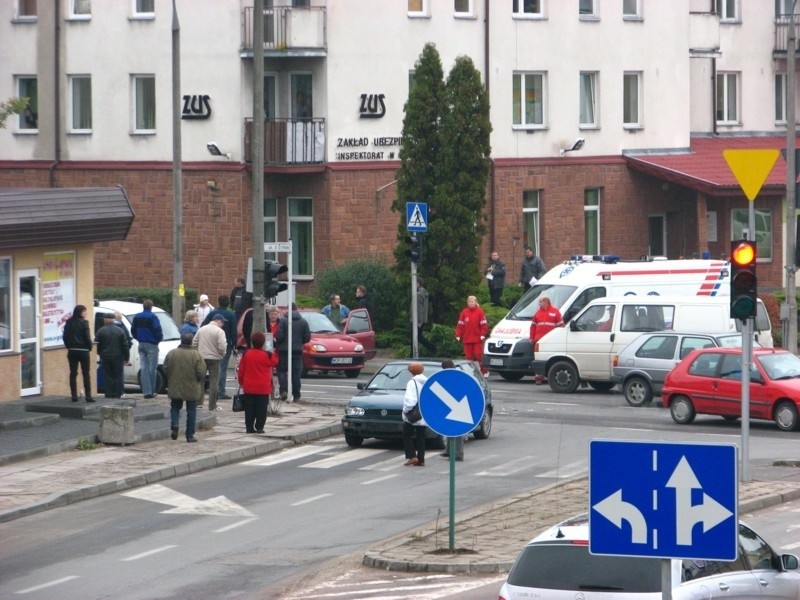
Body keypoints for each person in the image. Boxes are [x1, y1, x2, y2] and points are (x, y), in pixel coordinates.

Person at [164, 332, 205, 443]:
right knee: (191, 411)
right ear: (191, 341)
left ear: (181, 340)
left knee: (175, 407)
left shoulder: (172, 353)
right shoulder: (197, 355)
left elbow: (166, 369)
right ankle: (190, 435)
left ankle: (175, 424)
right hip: (192, 387)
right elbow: (201, 373)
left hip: (176, 385)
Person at [237, 331, 280, 434]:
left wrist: (241, 382)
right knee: (261, 409)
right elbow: (276, 361)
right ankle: (260, 427)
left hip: (249, 385)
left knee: (249, 408)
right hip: (263, 387)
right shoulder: (267, 355)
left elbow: (241, 370)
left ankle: (249, 427)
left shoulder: (246, 354)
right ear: (263, 343)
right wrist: (274, 349)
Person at [201, 295, 236, 399]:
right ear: (228, 303)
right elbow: (234, 331)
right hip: (226, 344)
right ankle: (220, 391)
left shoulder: (212, 313)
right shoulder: (231, 315)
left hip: (211, 344)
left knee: (210, 369)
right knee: (222, 368)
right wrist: (235, 344)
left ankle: (210, 391)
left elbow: (203, 326)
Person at [276, 303, 311, 402]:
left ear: (288, 309)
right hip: (297, 350)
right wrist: (299, 342)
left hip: (284, 350)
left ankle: (284, 391)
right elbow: (307, 337)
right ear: (297, 309)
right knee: (295, 373)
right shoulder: (303, 322)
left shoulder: (283, 321)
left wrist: (279, 343)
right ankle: (296, 394)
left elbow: (280, 336)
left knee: (282, 371)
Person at [192, 314, 228, 410]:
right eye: (222, 322)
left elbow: (194, 343)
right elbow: (222, 346)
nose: (223, 324)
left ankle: (199, 403)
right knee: (213, 382)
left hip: (202, 357)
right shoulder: (219, 331)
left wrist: (197, 353)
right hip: (214, 358)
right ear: (218, 321)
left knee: (200, 380)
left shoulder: (202, 329)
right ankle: (212, 405)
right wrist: (221, 355)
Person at [130, 299, 163, 399]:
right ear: (151, 307)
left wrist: (138, 337)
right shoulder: (153, 317)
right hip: (152, 344)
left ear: (143, 306)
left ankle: (146, 392)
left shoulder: (137, 317)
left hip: (141, 344)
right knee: (152, 369)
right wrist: (158, 339)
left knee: (143, 368)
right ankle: (151, 391)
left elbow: (133, 330)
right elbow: (157, 330)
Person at [62, 304, 94, 403]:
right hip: (83, 351)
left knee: (73, 373)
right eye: (84, 311)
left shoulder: (68, 322)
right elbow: (87, 337)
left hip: (72, 350)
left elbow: (65, 336)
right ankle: (88, 396)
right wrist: (90, 347)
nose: (86, 313)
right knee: (86, 373)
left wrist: (68, 346)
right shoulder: (84, 323)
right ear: (80, 312)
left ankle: (74, 395)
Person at [530, 296, 564, 384]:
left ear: (546, 302)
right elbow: (533, 326)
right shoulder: (537, 313)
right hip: (539, 340)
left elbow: (561, 326)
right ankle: (538, 376)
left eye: (540, 302)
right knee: (538, 358)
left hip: (550, 340)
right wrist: (531, 338)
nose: (539, 304)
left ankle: (550, 375)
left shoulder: (555, 311)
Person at [95, 314, 130, 399]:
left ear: (106, 320)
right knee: (118, 375)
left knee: (107, 376)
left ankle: (109, 393)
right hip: (118, 357)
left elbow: (97, 345)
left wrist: (100, 353)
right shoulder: (120, 331)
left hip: (105, 356)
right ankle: (118, 393)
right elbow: (125, 345)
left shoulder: (101, 331)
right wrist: (126, 357)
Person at [402, 362, 429, 467]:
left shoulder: (412, 383)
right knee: (421, 437)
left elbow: (410, 400)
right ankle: (421, 459)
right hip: (424, 413)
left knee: (406, 434)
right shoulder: (426, 381)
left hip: (413, 414)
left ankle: (412, 456)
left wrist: (405, 410)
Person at [438, 359, 465, 461]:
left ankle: (458, 454)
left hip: (459, 406)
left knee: (457, 432)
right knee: (449, 430)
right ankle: (449, 451)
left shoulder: (456, 376)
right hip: (451, 405)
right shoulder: (452, 375)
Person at [456, 295, 489, 375]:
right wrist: (458, 334)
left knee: (479, 355)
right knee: (468, 357)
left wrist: (482, 334)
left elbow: (484, 324)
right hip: (467, 339)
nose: (470, 303)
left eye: (472, 301)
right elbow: (460, 324)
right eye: (469, 301)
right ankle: (470, 371)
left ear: (475, 302)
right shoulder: (464, 312)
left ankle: (484, 370)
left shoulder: (480, 312)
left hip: (477, 339)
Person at [413, 278, 434, 352]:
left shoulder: (418, 294)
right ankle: (431, 348)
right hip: (421, 319)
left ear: (418, 283)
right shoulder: (423, 293)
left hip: (418, 320)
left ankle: (432, 348)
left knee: (416, 337)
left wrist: (419, 321)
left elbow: (420, 308)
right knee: (417, 337)